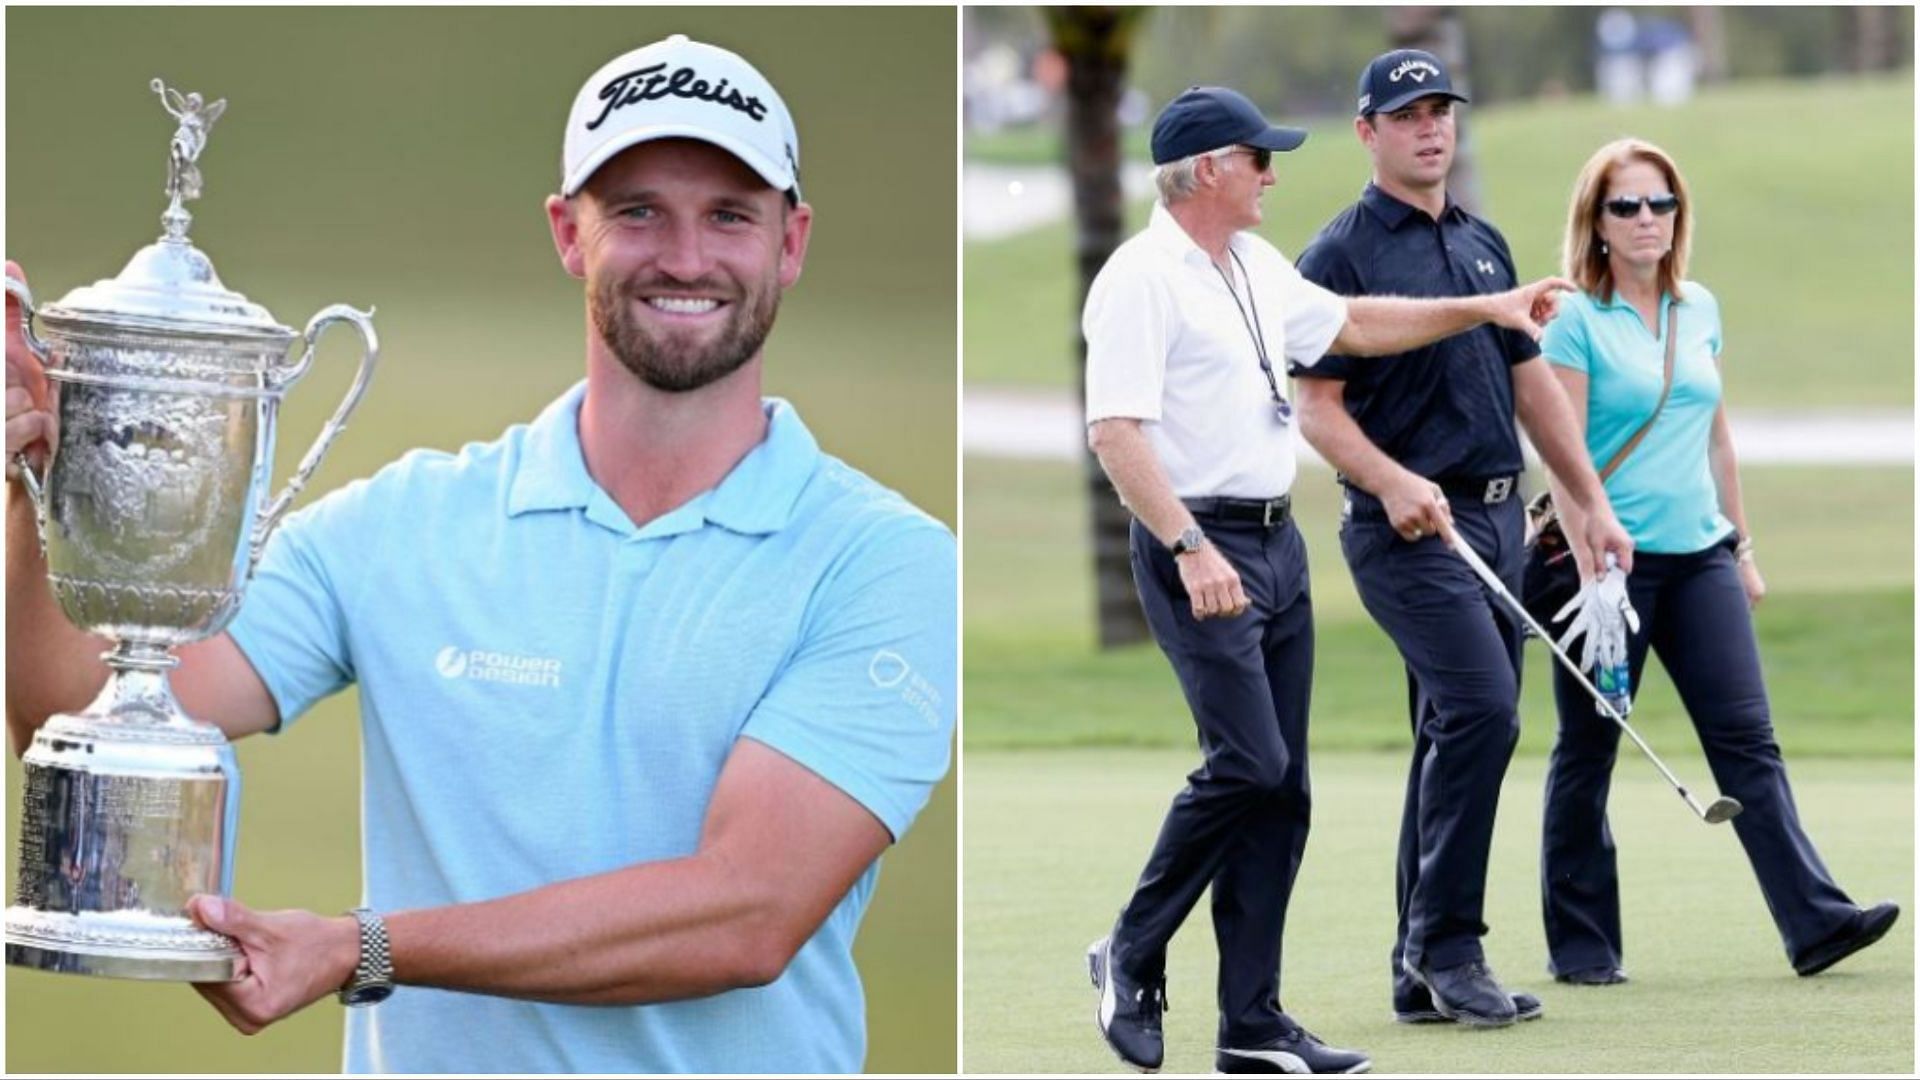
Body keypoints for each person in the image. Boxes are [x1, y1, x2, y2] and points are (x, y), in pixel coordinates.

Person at [5, 34, 955, 1074]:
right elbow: (76, 707)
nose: (685, 256)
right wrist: (26, 481)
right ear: (567, 231)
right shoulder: (404, 524)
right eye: (637, 210)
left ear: (791, 241)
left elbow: (746, 913)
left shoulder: (886, 564)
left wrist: (363, 947)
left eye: (729, 214)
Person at [1080, 83, 1574, 1075]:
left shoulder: (1254, 264)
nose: (1273, 173)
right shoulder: (1140, 277)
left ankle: (1252, 1025)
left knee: (1286, 789)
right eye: (1259, 158)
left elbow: (1354, 326)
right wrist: (1189, 548)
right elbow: (1115, 433)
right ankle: (1130, 948)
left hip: (1277, 544)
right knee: (1249, 765)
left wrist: (1485, 306)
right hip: (1199, 546)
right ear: (1208, 169)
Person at [1291, 50, 1634, 1030]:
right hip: (1403, 528)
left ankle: (1416, 969)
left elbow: (1532, 389)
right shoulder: (1339, 256)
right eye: (1407, 114)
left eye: (1441, 110)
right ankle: (1450, 947)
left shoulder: (1485, 243)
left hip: (1492, 518)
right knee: (1484, 713)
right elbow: (1315, 409)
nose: (1430, 127)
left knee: (1451, 730)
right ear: (1368, 132)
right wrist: (1391, 479)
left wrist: (1591, 502)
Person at [1534, 137, 1898, 985]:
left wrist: (1742, 545)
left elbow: (1717, 434)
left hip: (1700, 558)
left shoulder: (1700, 307)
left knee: (1748, 742)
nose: (1646, 220)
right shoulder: (1574, 319)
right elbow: (1561, 449)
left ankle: (1816, 923)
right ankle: (1583, 947)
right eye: (1626, 205)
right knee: (1587, 751)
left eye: (1660, 203)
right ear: (1595, 221)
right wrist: (1591, 542)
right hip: (1606, 570)